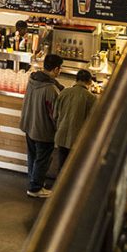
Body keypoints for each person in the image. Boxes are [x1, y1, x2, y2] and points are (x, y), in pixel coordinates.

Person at [21, 54, 63, 198]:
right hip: (43, 129)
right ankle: (35, 189)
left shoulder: (33, 79)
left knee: (33, 156)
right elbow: (54, 114)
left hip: (29, 124)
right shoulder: (50, 89)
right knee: (42, 159)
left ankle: (34, 182)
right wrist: (58, 128)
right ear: (56, 69)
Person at [54, 69, 97, 169]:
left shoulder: (64, 93)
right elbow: (93, 122)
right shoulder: (91, 98)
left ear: (76, 80)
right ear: (90, 82)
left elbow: (55, 115)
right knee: (73, 169)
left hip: (61, 136)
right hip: (78, 140)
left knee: (62, 166)